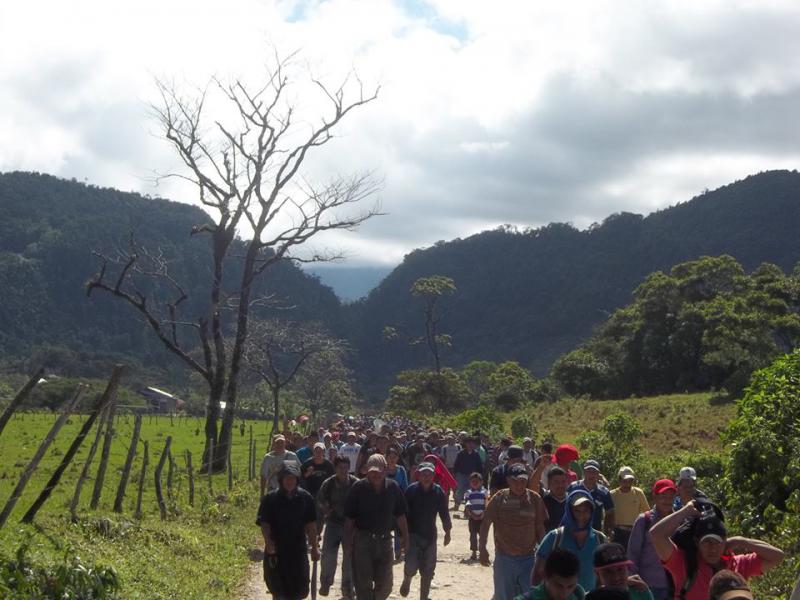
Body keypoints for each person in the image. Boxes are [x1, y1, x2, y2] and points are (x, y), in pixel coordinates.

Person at [649, 499, 784, 600]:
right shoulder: (684, 563)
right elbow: (656, 535)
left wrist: (741, 541)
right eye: (706, 542)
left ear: (725, 541)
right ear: (697, 543)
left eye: (717, 542)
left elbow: (778, 556)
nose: (712, 548)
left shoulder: (739, 565)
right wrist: (686, 511)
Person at [344, 453, 409, 600]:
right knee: (363, 582)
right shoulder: (358, 488)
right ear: (366, 470)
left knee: (386, 584)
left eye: (378, 472)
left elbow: (401, 515)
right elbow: (349, 519)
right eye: (372, 471)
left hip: (385, 541)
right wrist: (347, 542)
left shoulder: (393, 487)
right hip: (363, 541)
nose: (375, 475)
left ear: (385, 470)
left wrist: (406, 537)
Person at [480, 463, 547, 600]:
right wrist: (482, 548)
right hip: (504, 558)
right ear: (508, 481)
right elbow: (486, 523)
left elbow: (540, 527)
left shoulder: (535, 499)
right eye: (515, 481)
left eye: (522, 481)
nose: (519, 485)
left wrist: (545, 553)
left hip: (528, 559)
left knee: (530, 596)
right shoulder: (499, 498)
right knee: (503, 596)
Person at [257, 462, 319, 600]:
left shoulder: (306, 498)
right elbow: (264, 523)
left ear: (297, 480)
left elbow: (311, 525)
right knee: (278, 590)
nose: (290, 481)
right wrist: (268, 542)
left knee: (298, 590)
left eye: (293, 478)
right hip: (276, 551)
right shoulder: (270, 499)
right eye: (287, 478)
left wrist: (314, 547)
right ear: (281, 480)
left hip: (298, 550)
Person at [533, 490, 609, 592]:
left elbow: (606, 573)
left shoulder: (600, 539)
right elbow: (538, 573)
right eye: (577, 511)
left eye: (586, 511)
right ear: (569, 511)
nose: (582, 516)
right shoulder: (555, 537)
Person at [399, 462, 452, 600]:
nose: (426, 477)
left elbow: (444, 513)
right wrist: (402, 535)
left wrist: (448, 531)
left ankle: (424, 597)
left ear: (434, 476)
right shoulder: (411, 491)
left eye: (429, 474)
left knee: (428, 569)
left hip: (430, 535)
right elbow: (402, 514)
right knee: (410, 565)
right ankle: (407, 579)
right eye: (424, 474)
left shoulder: (438, 492)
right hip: (413, 534)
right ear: (419, 475)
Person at [627, 479, 677, 600]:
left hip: (674, 585)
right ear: (655, 496)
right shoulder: (644, 520)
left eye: (670, 497)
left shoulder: (679, 520)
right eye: (663, 496)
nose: (667, 501)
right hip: (647, 585)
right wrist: (633, 578)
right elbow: (633, 553)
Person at [318, 457, 359, 599]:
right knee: (328, 554)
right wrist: (325, 509)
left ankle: (348, 589)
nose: (343, 470)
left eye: (345, 467)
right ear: (335, 469)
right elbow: (320, 500)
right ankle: (326, 582)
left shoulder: (356, 484)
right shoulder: (328, 484)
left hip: (351, 526)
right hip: (333, 524)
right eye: (340, 467)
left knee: (349, 557)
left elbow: (363, 502)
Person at [585, 543, 653, 600]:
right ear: (597, 574)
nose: (616, 577)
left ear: (628, 568)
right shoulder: (593, 598)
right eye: (608, 572)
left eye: (620, 569)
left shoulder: (640, 592)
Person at [514, 548, 586, 600]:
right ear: (544, 575)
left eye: (570, 586)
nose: (564, 594)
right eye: (558, 585)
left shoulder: (579, 595)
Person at [568, 460, 615, 537]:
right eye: (588, 471)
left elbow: (610, 512)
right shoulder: (573, 487)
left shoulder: (604, 491)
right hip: (574, 530)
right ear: (584, 472)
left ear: (598, 474)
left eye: (594, 472)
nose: (591, 474)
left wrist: (608, 530)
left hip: (595, 533)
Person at [609, 467, 649, 548]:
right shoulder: (612, 494)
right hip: (618, 532)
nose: (627, 484)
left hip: (635, 531)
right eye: (625, 481)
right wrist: (609, 531)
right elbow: (608, 515)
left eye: (630, 481)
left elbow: (647, 512)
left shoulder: (638, 493)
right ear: (619, 480)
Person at [302, 442, 336, 534]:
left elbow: (333, 479)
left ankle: (317, 535)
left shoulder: (328, 464)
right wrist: (308, 473)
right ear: (313, 452)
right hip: (309, 492)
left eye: (320, 451)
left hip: (323, 493)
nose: (318, 453)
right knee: (309, 515)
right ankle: (309, 535)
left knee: (320, 516)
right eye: (316, 451)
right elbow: (300, 478)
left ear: (324, 452)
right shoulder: (307, 463)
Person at [453, 436, 484, 511]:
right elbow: (456, 464)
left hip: (472, 476)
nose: (470, 445)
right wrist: (455, 473)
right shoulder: (461, 453)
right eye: (468, 443)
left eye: (472, 443)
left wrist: (479, 475)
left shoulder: (476, 454)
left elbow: (479, 466)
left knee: (469, 492)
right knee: (460, 490)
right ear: (466, 444)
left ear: (474, 444)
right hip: (461, 475)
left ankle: (467, 510)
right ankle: (456, 505)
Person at [464, 471, 489, 561]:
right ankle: (474, 552)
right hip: (472, 518)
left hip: (482, 518)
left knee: (482, 536)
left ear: (481, 482)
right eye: (472, 481)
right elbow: (467, 504)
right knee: (473, 535)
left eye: (477, 481)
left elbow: (486, 504)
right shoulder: (468, 493)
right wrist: (471, 514)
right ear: (470, 482)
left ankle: (482, 551)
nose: (475, 483)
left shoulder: (485, 492)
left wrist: (484, 514)